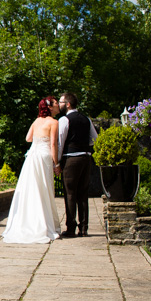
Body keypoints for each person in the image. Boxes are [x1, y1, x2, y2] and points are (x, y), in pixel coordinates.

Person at [2, 96, 61, 244]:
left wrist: (38, 138)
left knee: (32, 188)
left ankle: (30, 222)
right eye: (55, 104)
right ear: (50, 107)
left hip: (32, 157)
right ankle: (45, 225)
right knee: (45, 189)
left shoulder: (36, 121)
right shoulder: (54, 122)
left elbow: (28, 138)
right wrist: (57, 164)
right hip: (44, 156)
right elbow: (53, 144)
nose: (58, 106)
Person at [55, 92, 98, 237]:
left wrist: (58, 162)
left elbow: (60, 142)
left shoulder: (64, 120)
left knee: (70, 193)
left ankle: (71, 227)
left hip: (71, 159)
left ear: (67, 104)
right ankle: (84, 228)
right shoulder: (87, 119)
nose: (59, 104)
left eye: (61, 102)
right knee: (83, 193)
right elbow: (94, 139)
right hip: (86, 158)